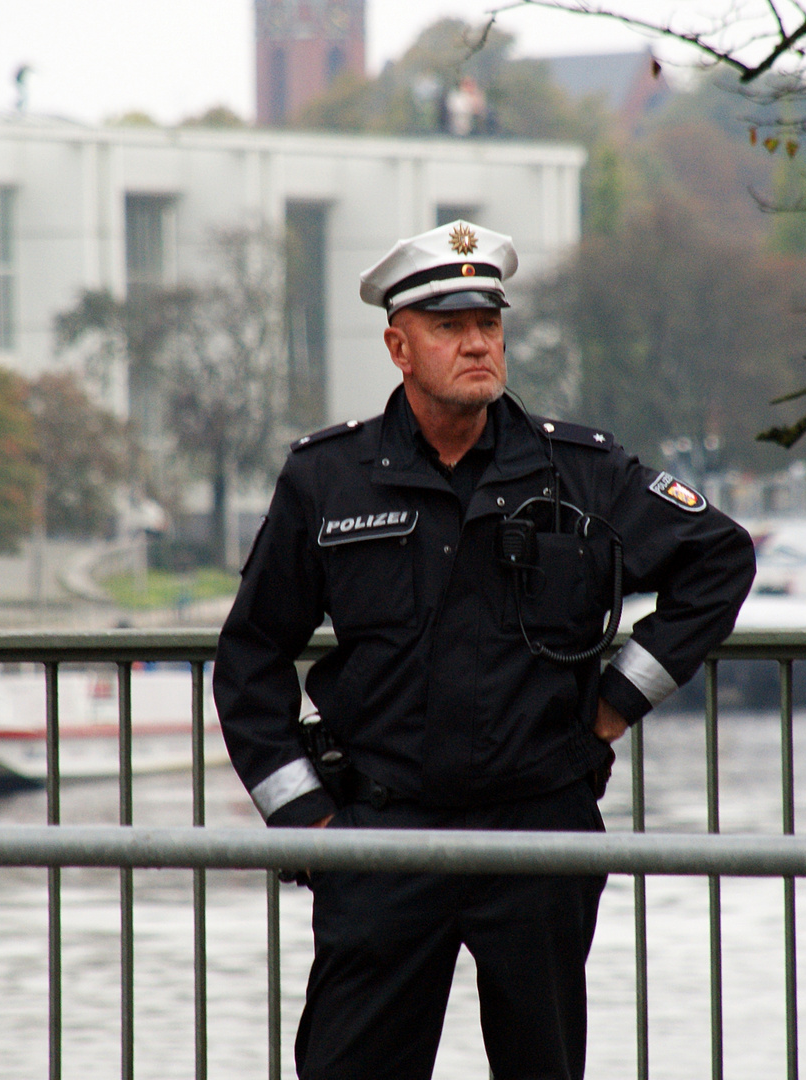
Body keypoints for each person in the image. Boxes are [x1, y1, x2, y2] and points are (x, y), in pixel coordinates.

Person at [214, 219, 756, 1080]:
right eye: (449, 326)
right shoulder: (328, 477)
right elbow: (250, 656)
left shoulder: (581, 470)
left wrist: (616, 704)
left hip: (538, 834)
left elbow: (719, 559)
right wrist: (308, 824)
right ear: (399, 345)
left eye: (489, 324)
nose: (477, 344)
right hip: (381, 835)